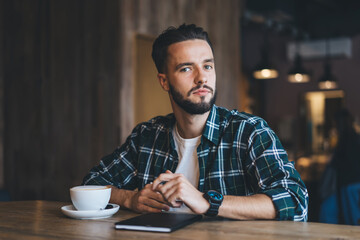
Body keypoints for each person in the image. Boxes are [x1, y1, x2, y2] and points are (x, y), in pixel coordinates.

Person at [82, 24, 308, 221]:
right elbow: (91, 185)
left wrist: (207, 202)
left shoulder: (249, 131)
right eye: (186, 68)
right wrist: (129, 198)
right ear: (164, 81)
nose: (202, 77)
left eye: (207, 66)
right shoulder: (147, 136)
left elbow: (295, 201)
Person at [319, 108, 360, 225]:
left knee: (351, 218)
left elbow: (337, 162)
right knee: (355, 216)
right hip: (356, 181)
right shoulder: (356, 136)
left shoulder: (344, 140)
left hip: (348, 183)